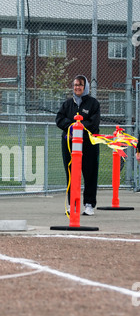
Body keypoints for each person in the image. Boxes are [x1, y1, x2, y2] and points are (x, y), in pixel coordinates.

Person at [55, 75, 100, 216]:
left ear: (85, 87)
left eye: (80, 85)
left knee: (90, 173)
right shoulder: (67, 104)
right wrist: (72, 126)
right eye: (75, 85)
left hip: (89, 144)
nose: (77, 88)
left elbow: (93, 123)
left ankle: (89, 204)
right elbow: (59, 119)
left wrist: (80, 127)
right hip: (70, 144)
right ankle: (72, 203)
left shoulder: (93, 104)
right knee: (71, 173)